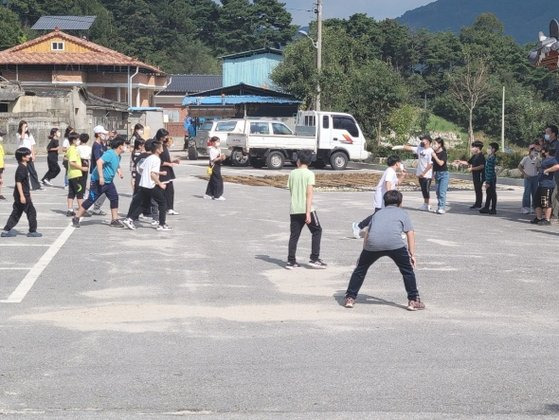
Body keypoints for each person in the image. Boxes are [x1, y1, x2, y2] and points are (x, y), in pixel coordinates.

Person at [343, 190, 424, 311]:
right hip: (395, 245)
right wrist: (412, 254)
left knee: (360, 269)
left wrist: (364, 252)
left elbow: (368, 233)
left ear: (385, 202)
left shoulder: (377, 214)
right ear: (400, 202)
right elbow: (410, 233)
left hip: (373, 245)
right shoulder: (403, 213)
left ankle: (350, 297)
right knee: (407, 270)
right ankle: (413, 300)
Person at [72, 137, 128, 228]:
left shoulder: (118, 156)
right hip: (98, 181)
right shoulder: (110, 153)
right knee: (91, 199)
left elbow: (116, 164)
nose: (126, 147)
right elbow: (99, 162)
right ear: (120, 146)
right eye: (125, 145)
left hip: (109, 182)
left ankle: (114, 220)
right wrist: (101, 177)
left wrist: (119, 171)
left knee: (114, 198)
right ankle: (76, 217)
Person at [286, 150, 326, 269]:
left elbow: (291, 190)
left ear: (299, 160)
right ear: (309, 161)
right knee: (317, 231)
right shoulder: (309, 174)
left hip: (294, 209)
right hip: (306, 209)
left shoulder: (292, 173)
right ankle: (314, 258)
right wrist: (308, 213)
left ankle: (291, 261)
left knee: (294, 235)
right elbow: (309, 194)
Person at [352, 155, 405, 238]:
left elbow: (397, 183)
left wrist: (402, 175)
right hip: (382, 197)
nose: (400, 164)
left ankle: (393, 233)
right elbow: (388, 183)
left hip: (385, 197)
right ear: (397, 163)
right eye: (399, 162)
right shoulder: (390, 171)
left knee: (387, 215)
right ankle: (358, 226)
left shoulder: (392, 172)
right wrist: (390, 196)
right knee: (378, 215)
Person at [122, 141, 170, 231]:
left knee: (144, 204)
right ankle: (162, 224)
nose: (162, 149)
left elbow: (143, 168)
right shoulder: (156, 159)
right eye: (161, 147)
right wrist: (160, 184)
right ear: (157, 150)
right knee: (163, 202)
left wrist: (160, 172)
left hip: (143, 184)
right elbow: (152, 174)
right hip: (150, 185)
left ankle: (129, 219)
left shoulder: (149, 157)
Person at [1, 147, 42, 237]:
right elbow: (18, 182)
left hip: (23, 193)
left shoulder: (24, 167)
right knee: (31, 212)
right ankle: (32, 231)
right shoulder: (21, 168)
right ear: (23, 157)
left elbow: (24, 183)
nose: (29, 156)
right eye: (28, 155)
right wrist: (22, 196)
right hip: (22, 194)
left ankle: (6, 230)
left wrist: (28, 193)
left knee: (17, 212)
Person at [393, 135, 434, 211]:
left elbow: (430, 164)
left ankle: (428, 204)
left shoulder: (430, 151)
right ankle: (425, 204)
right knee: (423, 189)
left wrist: (424, 173)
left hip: (427, 174)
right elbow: (409, 148)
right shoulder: (419, 149)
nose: (422, 141)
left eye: (423, 140)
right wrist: (400, 146)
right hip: (420, 173)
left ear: (428, 141)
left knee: (426, 189)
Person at [531, 145, 559, 225]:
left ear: (547, 152)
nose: (541, 152)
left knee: (546, 202)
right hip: (541, 184)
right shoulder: (545, 159)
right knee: (536, 202)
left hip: (547, 185)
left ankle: (547, 220)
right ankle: (539, 218)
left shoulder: (552, 159)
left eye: (542, 150)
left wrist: (547, 170)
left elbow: (557, 166)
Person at [454, 141, 486, 209]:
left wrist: (472, 169)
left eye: (473, 147)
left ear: (477, 148)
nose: (472, 148)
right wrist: (460, 161)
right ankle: (477, 203)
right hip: (475, 175)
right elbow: (468, 162)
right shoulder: (474, 156)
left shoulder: (481, 156)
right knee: (476, 189)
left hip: (479, 175)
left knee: (478, 189)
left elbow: (482, 166)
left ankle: (478, 204)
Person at [65, 132, 88, 216]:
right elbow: (72, 162)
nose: (79, 141)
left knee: (71, 192)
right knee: (79, 192)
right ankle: (81, 210)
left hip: (71, 174)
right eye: (78, 139)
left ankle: (70, 209)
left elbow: (66, 156)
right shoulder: (73, 149)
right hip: (76, 174)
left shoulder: (71, 149)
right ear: (74, 140)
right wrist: (82, 168)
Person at [89, 125, 109, 216]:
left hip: (102, 171)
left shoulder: (101, 144)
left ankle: (95, 207)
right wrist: (100, 175)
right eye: (103, 134)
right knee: (100, 190)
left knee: (102, 190)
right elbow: (98, 160)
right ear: (98, 134)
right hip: (96, 171)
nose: (105, 135)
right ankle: (92, 207)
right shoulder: (96, 146)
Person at [16, 120, 42, 191]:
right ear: (21, 127)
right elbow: (22, 138)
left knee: (32, 171)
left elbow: (32, 145)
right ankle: (21, 185)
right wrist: (23, 130)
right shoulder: (18, 134)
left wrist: (33, 155)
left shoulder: (29, 135)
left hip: (29, 155)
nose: (26, 127)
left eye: (26, 126)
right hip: (21, 154)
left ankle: (36, 186)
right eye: (24, 126)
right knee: (23, 171)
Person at [158, 130, 180, 214]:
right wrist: (168, 164)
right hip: (162, 171)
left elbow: (167, 158)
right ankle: (163, 208)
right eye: (165, 136)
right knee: (162, 191)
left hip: (168, 171)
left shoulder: (165, 147)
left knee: (170, 190)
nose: (166, 138)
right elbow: (159, 161)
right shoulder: (159, 146)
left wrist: (174, 161)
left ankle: (170, 208)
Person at [518, 144, 541, 214]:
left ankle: (534, 207)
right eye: (533, 150)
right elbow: (519, 166)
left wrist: (538, 164)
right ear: (530, 150)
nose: (534, 151)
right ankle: (525, 207)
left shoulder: (537, 159)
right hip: (528, 177)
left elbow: (538, 168)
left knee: (535, 193)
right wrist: (525, 174)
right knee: (527, 193)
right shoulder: (526, 158)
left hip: (535, 177)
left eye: (536, 150)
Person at [431, 137, 449, 214]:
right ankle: (439, 207)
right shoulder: (434, 153)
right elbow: (433, 165)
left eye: (435, 144)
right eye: (433, 143)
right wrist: (432, 174)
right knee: (437, 192)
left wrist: (435, 156)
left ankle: (442, 207)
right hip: (437, 174)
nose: (433, 145)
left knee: (442, 192)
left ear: (440, 144)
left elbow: (441, 163)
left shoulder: (443, 153)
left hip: (444, 174)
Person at [204, 136, 226, 200]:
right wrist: (219, 158)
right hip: (214, 166)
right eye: (217, 142)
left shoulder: (218, 149)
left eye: (219, 141)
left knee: (213, 180)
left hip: (218, 165)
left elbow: (220, 158)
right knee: (218, 180)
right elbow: (213, 160)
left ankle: (209, 194)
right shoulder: (212, 150)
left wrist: (223, 158)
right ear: (213, 142)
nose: (218, 143)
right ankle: (217, 195)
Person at [480, 143, 498, 214]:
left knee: (492, 193)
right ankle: (486, 207)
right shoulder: (489, 157)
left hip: (491, 179)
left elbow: (490, 171)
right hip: (489, 178)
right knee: (489, 193)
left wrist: (488, 182)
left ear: (493, 149)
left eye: (489, 148)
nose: (488, 149)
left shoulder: (492, 158)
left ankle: (493, 208)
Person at [77, 133, 92, 199]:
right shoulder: (89, 148)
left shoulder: (77, 147)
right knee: (84, 177)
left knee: (78, 177)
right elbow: (91, 156)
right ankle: (82, 191)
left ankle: (78, 190)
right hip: (86, 162)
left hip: (79, 161)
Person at [0, 129, 5, 200]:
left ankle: (0, 194)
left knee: (1, 181)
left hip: (1, 165)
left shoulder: (0, 145)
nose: (1, 137)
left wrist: (4, 164)